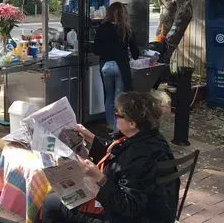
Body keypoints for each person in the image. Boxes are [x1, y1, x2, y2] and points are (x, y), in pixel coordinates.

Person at [41, 91, 178, 223]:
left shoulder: (139, 156)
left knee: (50, 203)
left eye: (117, 115)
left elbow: (129, 207)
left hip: (131, 218)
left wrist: (99, 178)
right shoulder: (148, 136)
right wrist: (92, 138)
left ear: (132, 123)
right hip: (146, 210)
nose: (115, 117)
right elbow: (119, 153)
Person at [93, 2, 139, 132]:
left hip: (106, 66)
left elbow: (96, 49)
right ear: (123, 14)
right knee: (119, 98)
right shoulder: (126, 29)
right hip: (120, 66)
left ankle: (111, 125)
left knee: (108, 96)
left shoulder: (102, 28)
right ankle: (119, 128)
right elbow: (135, 52)